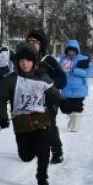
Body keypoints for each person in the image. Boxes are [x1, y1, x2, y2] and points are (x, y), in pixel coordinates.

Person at [0, 43, 63, 185]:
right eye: (21, 61)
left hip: (41, 119)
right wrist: (3, 117)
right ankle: (30, 151)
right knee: (26, 156)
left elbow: (54, 94)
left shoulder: (42, 77)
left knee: (44, 150)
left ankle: (42, 178)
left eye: (28, 60)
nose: (25, 63)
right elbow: (0, 100)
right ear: (17, 62)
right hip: (22, 124)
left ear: (34, 62)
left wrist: (65, 103)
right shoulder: (11, 80)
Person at [25, 30, 66, 163]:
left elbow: (62, 79)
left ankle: (57, 152)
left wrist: (49, 85)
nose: (32, 44)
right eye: (30, 41)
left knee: (49, 128)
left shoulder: (48, 60)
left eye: (35, 42)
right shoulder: (25, 60)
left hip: (49, 100)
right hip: (32, 101)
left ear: (42, 44)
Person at [58, 39, 92, 132]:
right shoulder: (62, 59)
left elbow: (90, 72)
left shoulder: (83, 59)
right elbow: (58, 71)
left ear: (77, 50)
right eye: (69, 50)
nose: (71, 52)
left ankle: (75, 127)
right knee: (66, 109)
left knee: (77, 108)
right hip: (66, 88)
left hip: (79, 88)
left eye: (73, 50)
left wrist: (76, 71)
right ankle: (72, 119)